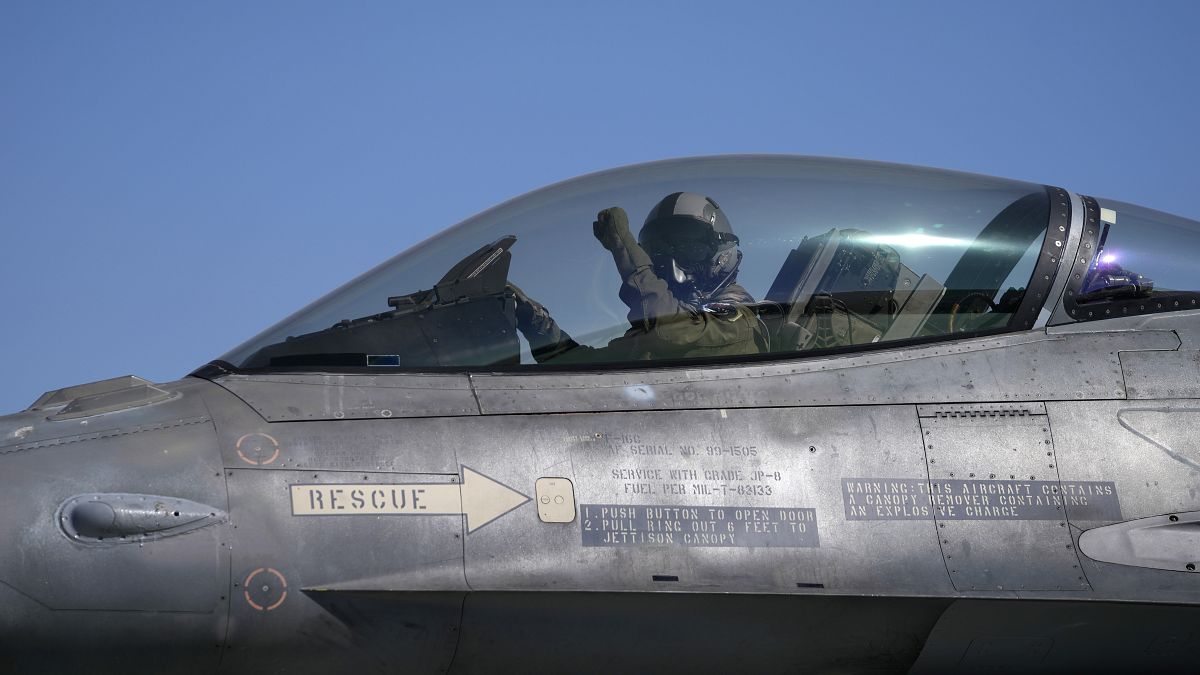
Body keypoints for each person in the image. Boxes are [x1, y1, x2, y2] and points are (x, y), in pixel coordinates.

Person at [511, 192, 763, 364]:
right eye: (659, 252)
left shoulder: (741, 320)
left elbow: (676, 331)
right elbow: (585, 369)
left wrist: (625, 251)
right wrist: (537, 324)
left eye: (688, 248)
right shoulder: (654, 334)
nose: (670, 262)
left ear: (722, 252)